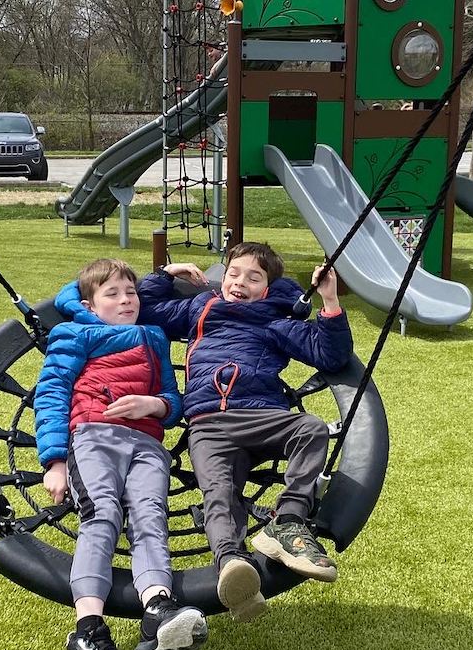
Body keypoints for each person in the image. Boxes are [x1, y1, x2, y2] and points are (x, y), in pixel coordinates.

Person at [134, 242, 353, 623]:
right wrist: (166, 274)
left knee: (311, 429)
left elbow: (330, 354)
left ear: (268, 289)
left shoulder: (276, 321)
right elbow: (146, 309)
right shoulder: (199, 309)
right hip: (208, 423)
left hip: (260, 416)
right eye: (233, 273)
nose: (239, 283)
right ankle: (233, 565)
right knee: (220, 493)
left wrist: (329, 300)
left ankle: (288, 522)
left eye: (253, 278)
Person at [36, 257, 208, 650]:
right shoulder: (74, 333)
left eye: (130, 292)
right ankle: (87, 635)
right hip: (93, 436)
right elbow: (52, 392)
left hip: (148, 445)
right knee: (103, 515)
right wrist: (55, 461)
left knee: (151, 516)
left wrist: (154, 406)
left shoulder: (153, 337)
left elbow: (172, 399)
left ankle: (157, 611)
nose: (126, 300)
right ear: (90, 305)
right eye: (112, 294)